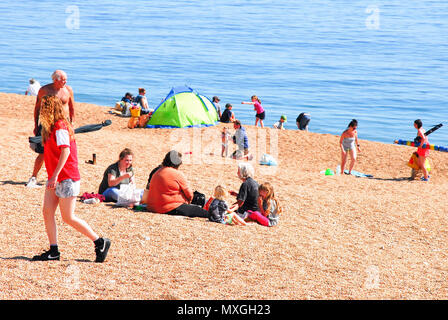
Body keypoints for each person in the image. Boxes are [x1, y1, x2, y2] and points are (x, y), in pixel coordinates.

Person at [31, 95, 110, 262]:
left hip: (66, 177)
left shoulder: (60, 126)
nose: (40, 112)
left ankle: (99, 241)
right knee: (47, 212)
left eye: (43, 109)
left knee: (68, 217)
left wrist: (54, 175)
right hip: (56, 178)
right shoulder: (50, 127)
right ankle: (54, 251)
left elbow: (65, 151)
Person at [26, 70, 75, 188]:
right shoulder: (44, 90)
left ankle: (60, 176)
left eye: (66, 79)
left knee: (65, 150)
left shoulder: (68, 90)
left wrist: (72, 124)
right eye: (62, 79)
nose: (65, 81)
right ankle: (33, 177)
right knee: (43, 152)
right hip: (47, 124)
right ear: (55, 80)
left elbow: (72, 107)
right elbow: (37, 108)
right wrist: (36, 125)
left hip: (64, 123)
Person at [146, 150, 209, 218]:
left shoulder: (157, 171)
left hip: (152, 206)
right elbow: (190, 195)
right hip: (168, 207)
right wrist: (188, 201)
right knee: (199, 210)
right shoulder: (177, 174)